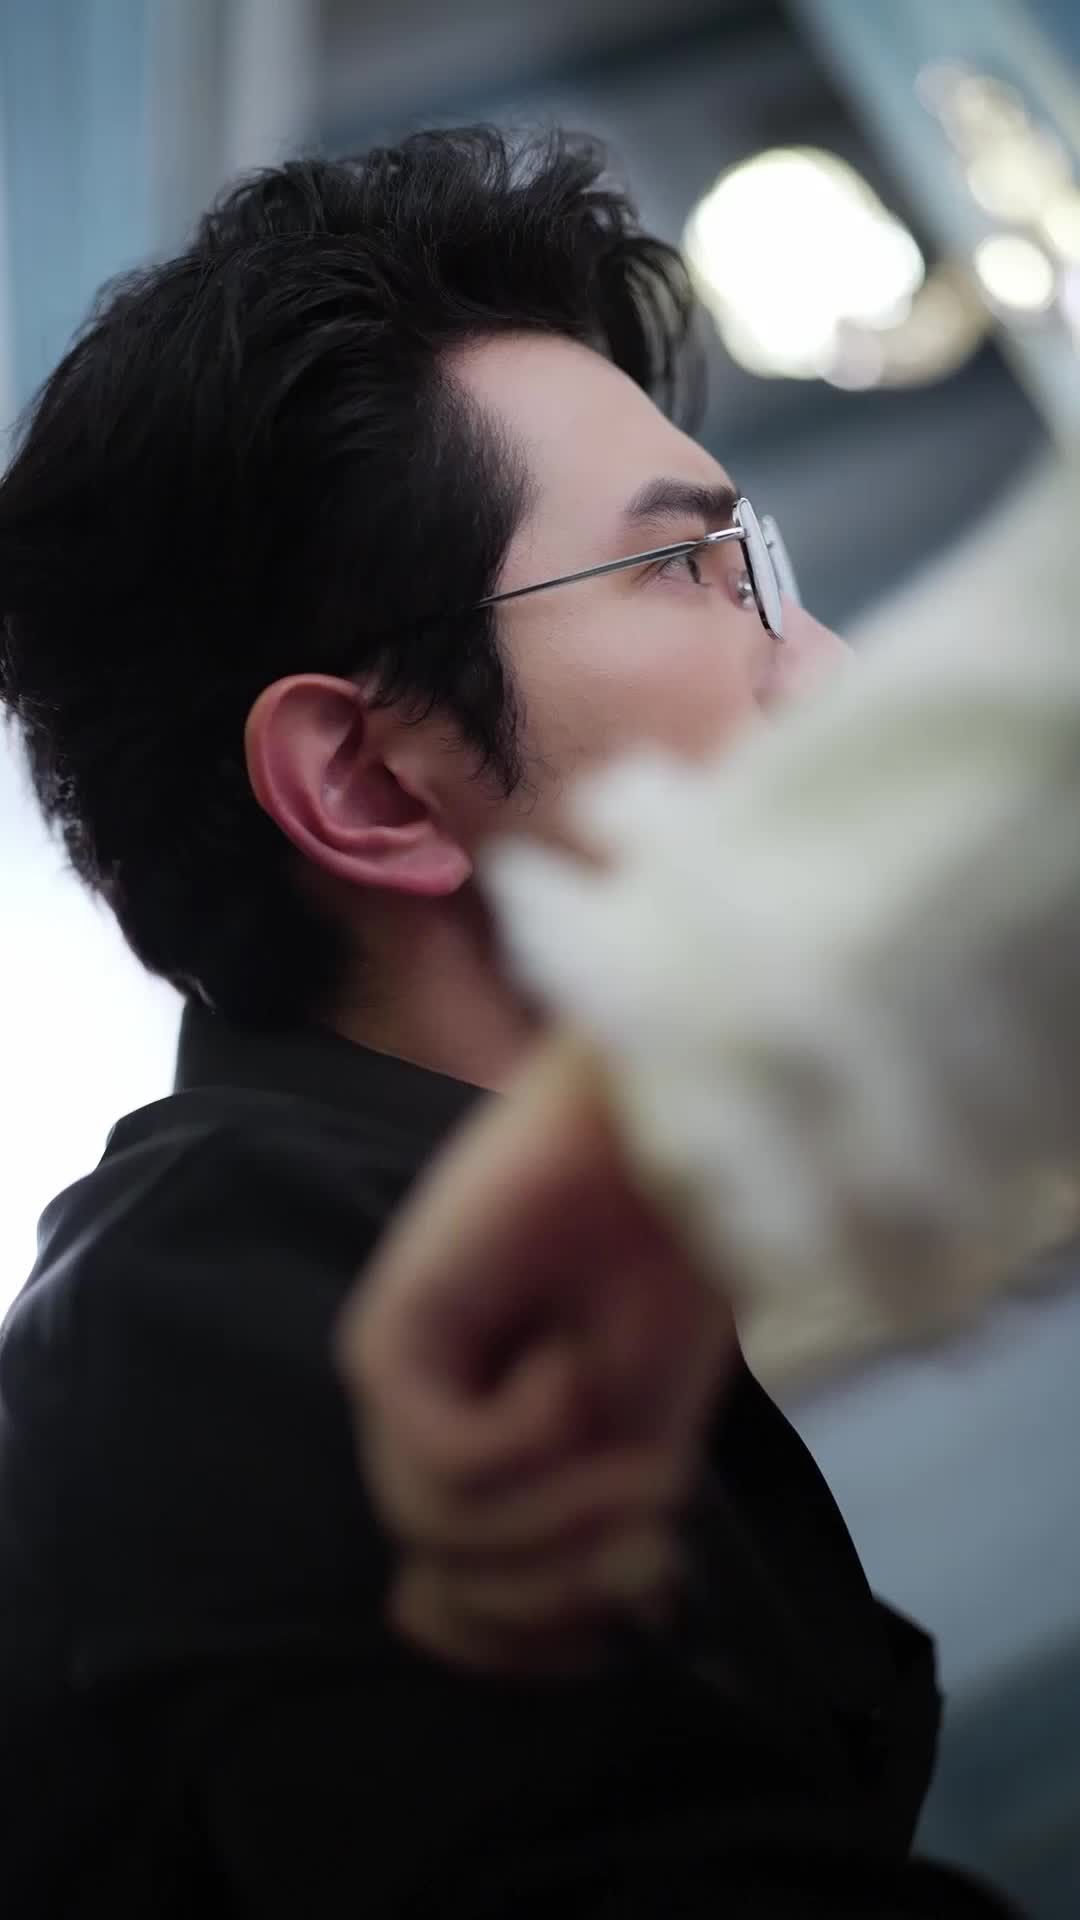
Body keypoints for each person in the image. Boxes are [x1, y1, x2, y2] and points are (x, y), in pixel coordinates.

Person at [0, 130, 1017, 1916]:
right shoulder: (246, 1307)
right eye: (687, 570)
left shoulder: (359, 1275)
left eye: (760, 563)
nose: (829, 668)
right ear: (370, 783)